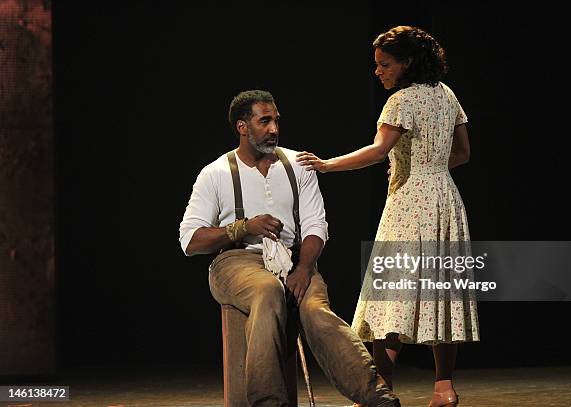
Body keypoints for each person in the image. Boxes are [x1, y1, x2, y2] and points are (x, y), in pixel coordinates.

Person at [179, 90, 401, 406]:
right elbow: (190, 240)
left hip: (295, 260)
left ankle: (376, 395)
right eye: (264, 121)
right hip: (237, 261)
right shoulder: (215, 174)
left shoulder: (298, 165)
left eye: (276, 121)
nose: (274, 129)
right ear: (242, 126)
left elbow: (315, 226)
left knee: (316, 311)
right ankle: (269, 402)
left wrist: (304, 268)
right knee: (267, 290)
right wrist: (243, 227)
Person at [296, 26, 479, 407]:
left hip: (410, 203)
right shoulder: (447, 95)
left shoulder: (401, 102)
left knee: (389, 297)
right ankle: (444, 388)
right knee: (437, 293)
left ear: (407, 63)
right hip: (445, 199)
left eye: (384, 64)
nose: (377, 71)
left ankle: (380, 389)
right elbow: (462, 154)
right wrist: (429, 169)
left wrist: (327, 165)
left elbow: (379, 151)